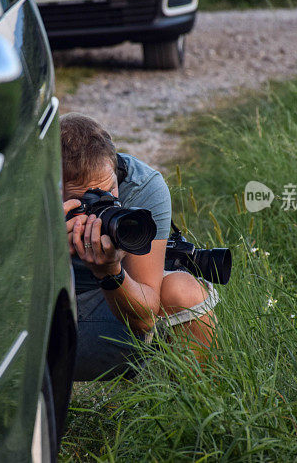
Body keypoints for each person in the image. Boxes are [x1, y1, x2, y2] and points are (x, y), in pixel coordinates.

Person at [60, 113, 219, 381]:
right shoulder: (20, 192)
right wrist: (44, 243)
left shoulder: (143, 187)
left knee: (184, 292)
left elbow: (144, 318)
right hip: (32, 325)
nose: (102, 208)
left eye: (109, 191)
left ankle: (191, 407)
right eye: (84, 200)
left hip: (107, 317)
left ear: (116, 168)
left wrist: (110, 270)